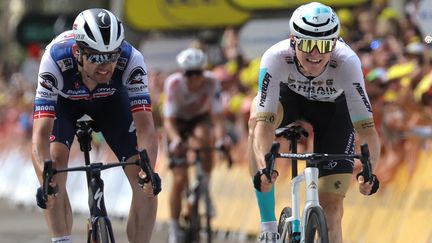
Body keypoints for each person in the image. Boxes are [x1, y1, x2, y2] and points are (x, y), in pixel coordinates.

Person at [247, 2, 381, 243]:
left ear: (334, 43)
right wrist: (265, 165)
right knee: (255, 113)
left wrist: (370, 172)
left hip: (332, 112)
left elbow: (367, 130)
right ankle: (267, 225)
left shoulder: (348, 62)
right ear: (293, 40)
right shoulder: (275, 57)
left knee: (332, 212)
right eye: (308, 44)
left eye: (324, 45)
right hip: (290, 101)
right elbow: (265, 125)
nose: (316, 54)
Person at [31, 8, 160, 243]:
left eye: (112, 56)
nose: (106, 65)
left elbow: (146, 128)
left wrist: (148, 170)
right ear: (77, 52)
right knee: (55, 164)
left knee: (145, 183)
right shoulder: (54, 59)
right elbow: (40, 134)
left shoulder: (132, 60)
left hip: (112, 103)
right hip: (66, 104)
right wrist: (44, 176)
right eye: (97, 57)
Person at [163, 48, 229, 243]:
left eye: (197, 73)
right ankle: (174, 228)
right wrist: (175, 140)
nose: (194, 78)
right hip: (177, 123)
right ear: (182, 73)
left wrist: (221, 139)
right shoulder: (173, 84)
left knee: (205, 138)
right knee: (179, 178)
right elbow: (168, 121)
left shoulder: (212, 81)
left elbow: (217, 116)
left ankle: (205, 188)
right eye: (189, 74)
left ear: (204, 71)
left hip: (198, 119)